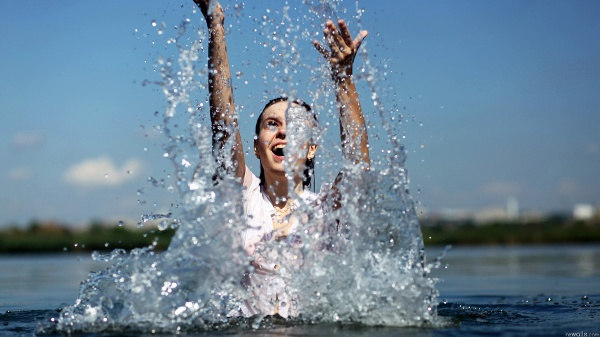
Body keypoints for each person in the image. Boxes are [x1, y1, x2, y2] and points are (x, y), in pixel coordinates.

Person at [193, 0, 371, 318]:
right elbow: (223, 124)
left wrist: (343, 79)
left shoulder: (327, 212)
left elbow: (358, 163)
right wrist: (216, 26)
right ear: (257, 146)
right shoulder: (241, 199)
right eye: (272, 124)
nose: (283, 134)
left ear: (312, 147)